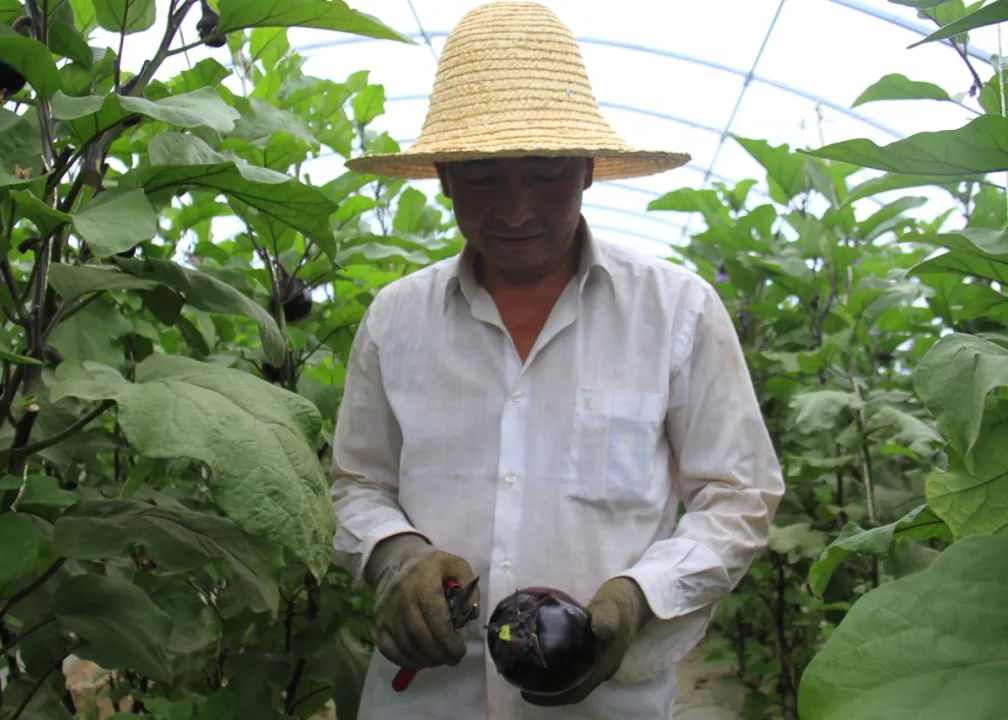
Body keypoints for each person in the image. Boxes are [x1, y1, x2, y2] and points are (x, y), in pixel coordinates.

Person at [331, 2, 784, 718]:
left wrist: (636, 602)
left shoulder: (677, 311)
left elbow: (740, 496)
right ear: (443, 177)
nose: (515, 209)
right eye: (482, 178)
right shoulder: (397, 319)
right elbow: (358, 481)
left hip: (608, 702)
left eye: (545, 174)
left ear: (588, 171)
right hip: (425, 698)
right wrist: (396, 556)